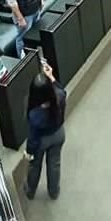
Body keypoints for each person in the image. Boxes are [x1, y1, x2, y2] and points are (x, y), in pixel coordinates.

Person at [23, 62, 67, 200]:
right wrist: (51, 76)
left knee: (35, 166)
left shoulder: (35, 114)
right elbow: (62, 91)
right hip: (59, 134)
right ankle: (54, 191)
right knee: (54, 164)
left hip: (41, 141)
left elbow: (33, 137)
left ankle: (30, 190)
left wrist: (29, 151)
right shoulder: (59, 97)